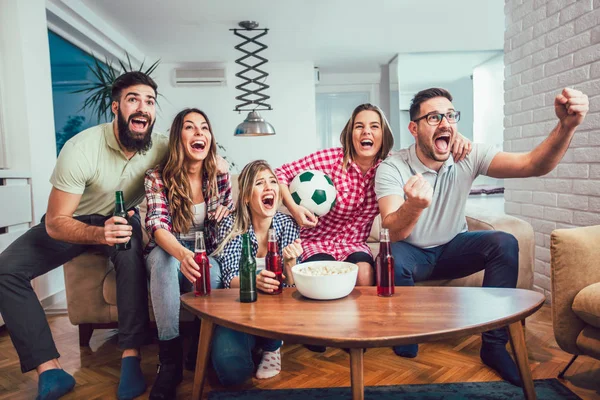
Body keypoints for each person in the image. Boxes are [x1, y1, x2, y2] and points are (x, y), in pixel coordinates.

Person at [375, 87, 589, 387]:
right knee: (390, 257)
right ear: (414, 128)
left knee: (504, 242)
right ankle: (408, 330)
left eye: (450, 116)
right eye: (434, 117)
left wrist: (567, 126)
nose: (445, 123)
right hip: (412, 253)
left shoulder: (467, 154)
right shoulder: (392, 167)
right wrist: (414, 206)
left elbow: (533, 164)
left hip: (452, 248)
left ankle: (494, 345)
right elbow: (393, 230)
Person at [0, 71, 168, 400]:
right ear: (115, 107)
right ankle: (50, 372)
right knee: (6, 269)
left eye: (149, 101)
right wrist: (96, 233)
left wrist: (219, 164)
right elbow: (56, 221)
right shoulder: (80, 148)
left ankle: (131, 357)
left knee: (128, 246)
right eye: (133, 99)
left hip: (122, 217)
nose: (142, 107)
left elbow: (201, 159)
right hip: (75, 222)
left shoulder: (160, 145)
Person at [275, 103, 471, 352]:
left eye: (374, 126)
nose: (366, 132)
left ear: (383, 135)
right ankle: (319, 331)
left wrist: (457, 139)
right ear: (351, 133)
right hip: (318, 240)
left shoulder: (391, 166)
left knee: (365, 273)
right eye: (359, 126)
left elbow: (425, 150)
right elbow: (279, 173)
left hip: (355, 243)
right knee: (321, 275)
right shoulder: (330, 159)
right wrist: (294, 208)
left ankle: (357, 331)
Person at [143, 108, 233, 398]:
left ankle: (197, 344)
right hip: (169, 246)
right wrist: (183, 254)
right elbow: (157, 227)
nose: (199, 133)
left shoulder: (218, 174)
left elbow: (232, 210)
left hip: (204, 249)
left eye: (204, 128)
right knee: (163, 261)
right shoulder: (157, 176)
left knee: (215, 272)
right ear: (177, 137)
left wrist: (227, 206)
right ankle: (169, 361)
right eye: (190, 128)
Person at [211, 160, 302, 385]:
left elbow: (293, 291)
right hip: (239, 311)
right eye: (259, 183)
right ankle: (252, 342)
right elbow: (229, 276)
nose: (269, 187)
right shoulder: (231, 225)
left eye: (272, 181)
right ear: (245, 197)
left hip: (276, 315)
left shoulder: (288, 224)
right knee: (233, 373)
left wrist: (291, 265)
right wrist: (254, 281)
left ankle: (271, 346)